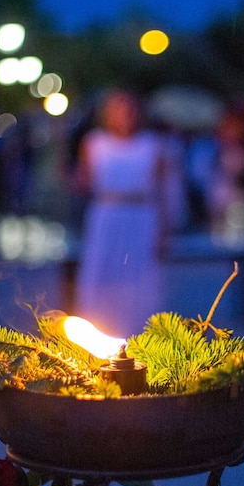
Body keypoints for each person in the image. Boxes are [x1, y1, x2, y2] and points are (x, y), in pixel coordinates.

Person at [74, 90, 166, 339]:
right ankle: (98, 331)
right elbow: (82, 182)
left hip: (141, 217)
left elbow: (162, 192)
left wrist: (163, 231)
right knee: (102, 272)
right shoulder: (94, 143)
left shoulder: (152, 145)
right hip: (107, 216)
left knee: (139, 276)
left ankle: (140, 334)